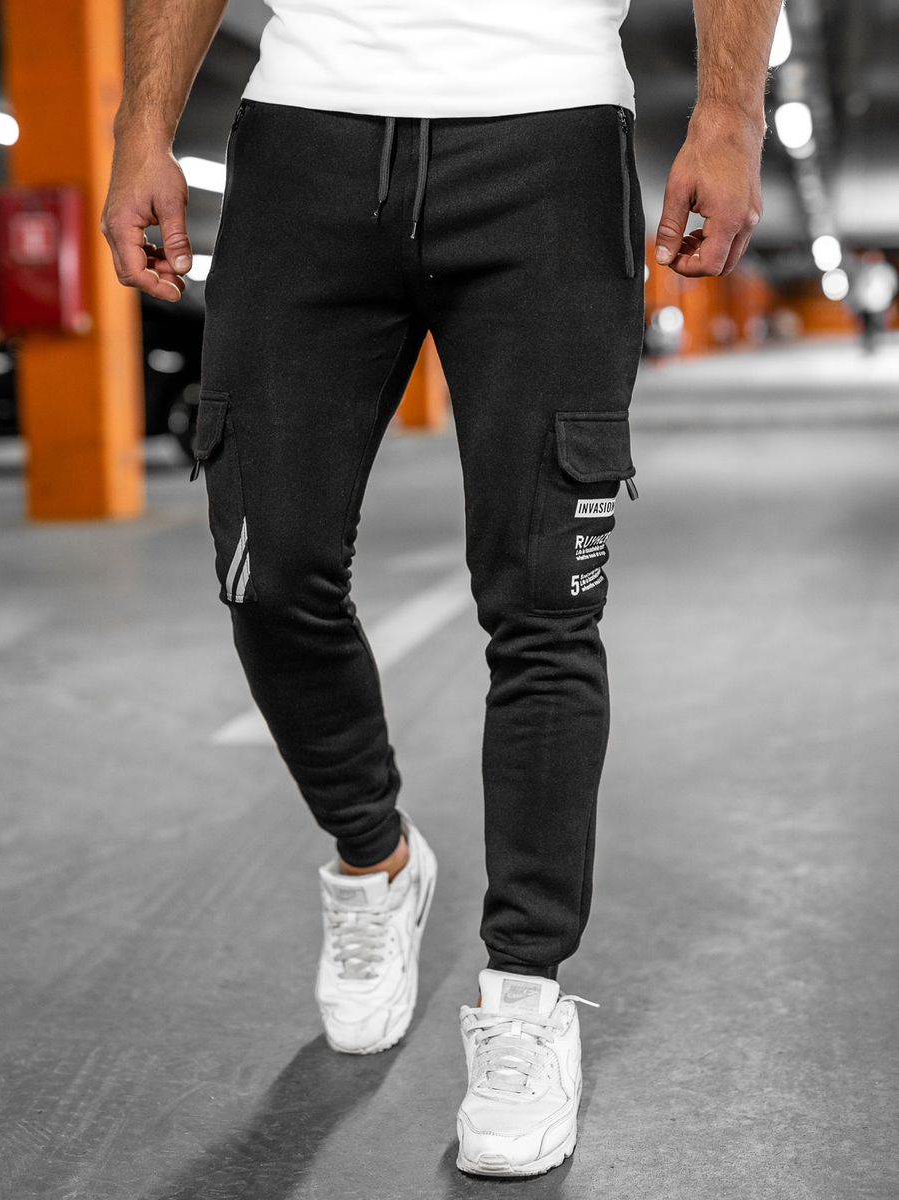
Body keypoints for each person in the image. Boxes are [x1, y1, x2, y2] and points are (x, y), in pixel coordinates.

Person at [102, 0, 780, 1177]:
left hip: (549, 137)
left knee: (545, 603)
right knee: (270, 569)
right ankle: (376, 859)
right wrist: (140, 125)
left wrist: (732, 109)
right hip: (305, 138)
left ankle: (524, 996)